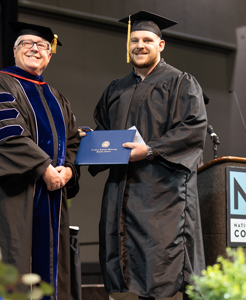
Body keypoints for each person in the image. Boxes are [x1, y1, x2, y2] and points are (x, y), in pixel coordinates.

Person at [86, 11, 207, 300]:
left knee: (159, 263)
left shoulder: (180, 83)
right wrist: (89, 141)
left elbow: (193, 129)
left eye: (147, 40)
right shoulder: (116, 88)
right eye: (134, 40)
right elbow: (104, 130)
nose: (140, 45)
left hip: (162, 194)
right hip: (121, 192)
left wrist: (149, 150)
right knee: (126, 270)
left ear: (161, 45)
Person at [0, 21, 80, 300]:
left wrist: (68, 171)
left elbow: (74, 140)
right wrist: (43, 168)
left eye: (41, 45)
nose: (34, 49)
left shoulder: (58, 98)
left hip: (51, 202)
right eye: (26, 44)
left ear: (50, 54)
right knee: (10, 269)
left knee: (50, 276)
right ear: (15, 50)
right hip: (11, 201)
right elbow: (3, 133)